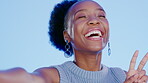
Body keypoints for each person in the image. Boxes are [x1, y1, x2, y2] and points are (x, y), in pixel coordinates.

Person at [0, 0, 148, 83]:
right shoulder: (56, 76)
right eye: (81, 17)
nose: (94, 21)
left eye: (101, 16)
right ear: (67, 35)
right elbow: (24, 78)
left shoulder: (122, 77)